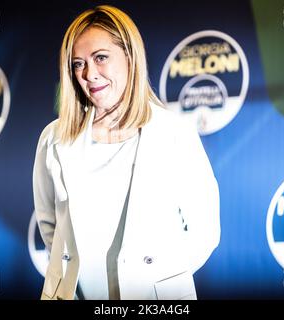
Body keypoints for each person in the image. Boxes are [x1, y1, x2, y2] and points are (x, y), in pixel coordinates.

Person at [33, 5, 220, 300]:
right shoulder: (53, 138)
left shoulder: (175, 132)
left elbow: (204, 232)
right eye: (78, 64)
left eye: (101, 58)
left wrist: (155, 282)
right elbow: (50, 226)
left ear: (130, 58)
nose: (89, 74)